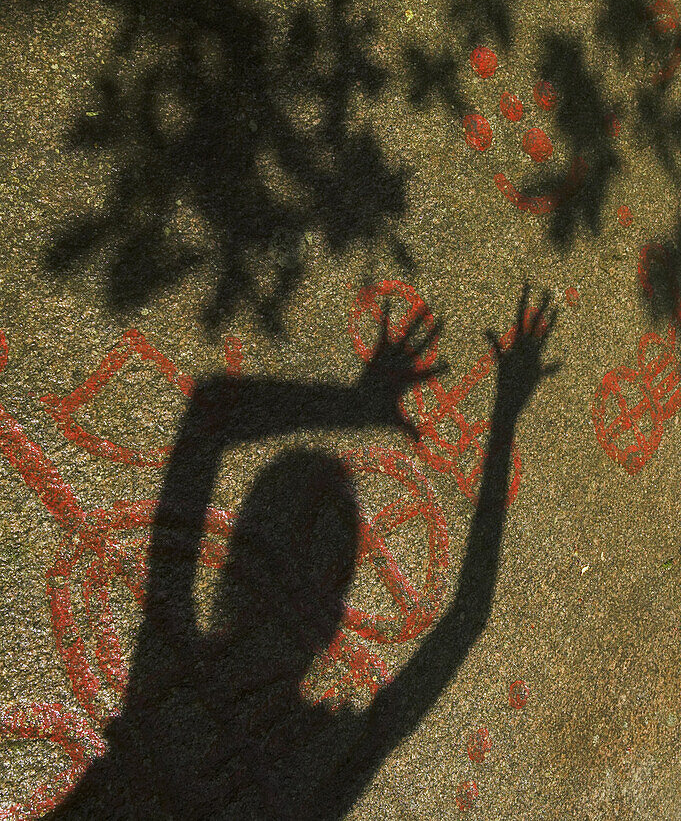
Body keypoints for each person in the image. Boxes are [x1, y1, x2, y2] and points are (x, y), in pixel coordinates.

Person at [46, 286, 557, 820]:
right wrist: (502, 424)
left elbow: (208, 413)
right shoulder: (307, 776)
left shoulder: (172, 680)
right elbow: (464, 622)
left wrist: (358, 406)